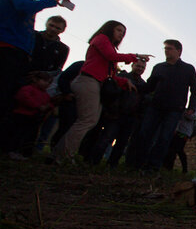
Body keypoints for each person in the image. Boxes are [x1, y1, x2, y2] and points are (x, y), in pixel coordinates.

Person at [52, 21, 147, 163]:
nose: (121, 34)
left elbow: (110, 74)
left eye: (123, 32)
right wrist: (135, 56)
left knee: (90, 121)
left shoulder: (110, 48)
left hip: (96, 83)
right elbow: (110, 56)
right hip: (88, 81)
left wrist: (123, 82)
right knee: (86, 120)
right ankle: (62, 154)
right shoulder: (101, 38)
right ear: (110, 29)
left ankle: (62, 152)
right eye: (119, 30)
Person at [0, 0, 72, 119]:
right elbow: (23, 6)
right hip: (7, 47)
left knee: (8, 96)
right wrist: (52, 1)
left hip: (17, 53)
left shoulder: (31, 4)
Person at [128, 39, 196, 172]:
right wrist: (134, 86)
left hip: (174, 110)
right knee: (145, 134)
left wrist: (191, 107)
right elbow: (149, 86)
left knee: (164, 138)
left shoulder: (188, 69)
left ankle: (153, 167)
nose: (166, 51)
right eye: (165, 48)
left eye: (170, 48)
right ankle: (138, 164)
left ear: (179, 51)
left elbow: (195, 90)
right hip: (155, 107)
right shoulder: (159, 68)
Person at [87, 59, 148, 166]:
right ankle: (93, 162)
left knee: (121, 143)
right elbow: (111, 94)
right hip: (115, 114)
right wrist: (111, 110)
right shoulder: (121, 77)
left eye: (142, 67)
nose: (140, 69)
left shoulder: (143, 84)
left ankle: (112, 165)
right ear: (132, 65)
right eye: (138, 66)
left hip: (130, 117)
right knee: (105, 139)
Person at [0, 71, 54, 160]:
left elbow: (49, 102)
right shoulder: (27, 89)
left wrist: (48, 106)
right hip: (22, 116)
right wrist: (38, 106)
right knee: (17, 134)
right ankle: (12, 150)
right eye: (45, 81)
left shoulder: (45, 94)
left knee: (29, 136)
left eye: (49, 82)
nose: (47, 84)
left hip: (34, 117)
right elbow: (24, 98)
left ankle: (24, 152)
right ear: (35, 79)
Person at [163, 99, 196, 174]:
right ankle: (168, 166)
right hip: (179, 130)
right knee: (173, 149)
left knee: (179, 149)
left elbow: (192, 117)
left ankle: (184, 169)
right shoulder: (189, 108)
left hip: (185, 132)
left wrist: (185, 112)